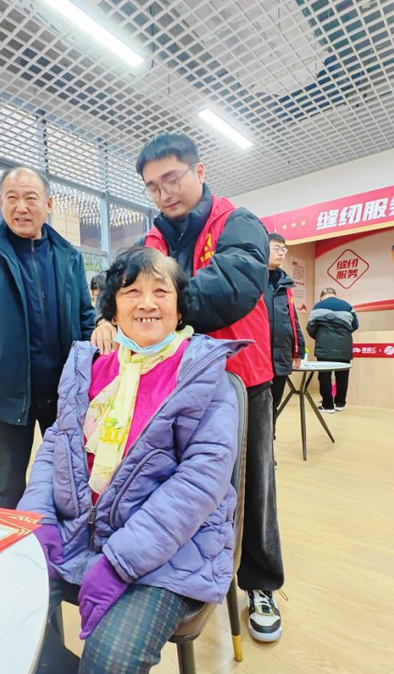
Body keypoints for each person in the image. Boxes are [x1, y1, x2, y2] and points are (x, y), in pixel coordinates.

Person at [19, 247, 239, 674]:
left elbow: (200, 482)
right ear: (112, 309)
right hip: (78, 531)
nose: (146, 302)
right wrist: (39, 519)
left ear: (179, 308)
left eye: (161, 291)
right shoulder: (89, 364)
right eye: (131, 291)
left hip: (168, 550)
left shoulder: (204, 373)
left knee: (112, 664)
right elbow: (56, 445)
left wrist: (121, 561)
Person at [94, 133, 283, 643]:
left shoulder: (237, 223)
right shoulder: (154, 239)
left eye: (172, 179)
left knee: (252, 487)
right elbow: (121, 287)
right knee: (182, 485)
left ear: (199, 171)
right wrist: (108, 316)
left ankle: (260, 584)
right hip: (173, 382)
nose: (164, 193)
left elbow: (233, 288)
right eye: (153, 187)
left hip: (240, 379)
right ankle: (191, 573)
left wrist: (156, 306)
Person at [0, 166, 95, 509]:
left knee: (68, 480)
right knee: (8, 486)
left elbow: (85, 316)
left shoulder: (69, 256)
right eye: (12, 198)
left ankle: (59, 542)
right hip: (6, 392)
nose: (21, 207)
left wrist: (87, 369)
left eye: (30, 198)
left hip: (63, 394)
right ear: (0, 202)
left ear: (48, 203)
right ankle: (12, 542)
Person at [266, 233, 306, 422]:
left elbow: (292, 318)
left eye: (284, 249)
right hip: (260, 355)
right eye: (276, 248)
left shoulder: (285, 284)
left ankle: (270, 437)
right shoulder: (253, 280)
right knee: (258, 406)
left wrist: (299, 350)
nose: (281, 253)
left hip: (281, 354)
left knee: (274, 403)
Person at [307, 287, 358, 413]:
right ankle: (340, 403)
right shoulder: (347, 306)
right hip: (344, 346)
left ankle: (327, 405)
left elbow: (310, 327)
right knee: (343, 376)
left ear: (321, 297)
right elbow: (355, 325)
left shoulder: (317, 307)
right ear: (335, 295)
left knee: (324, 376)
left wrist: (319, 337)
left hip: (324, 345)